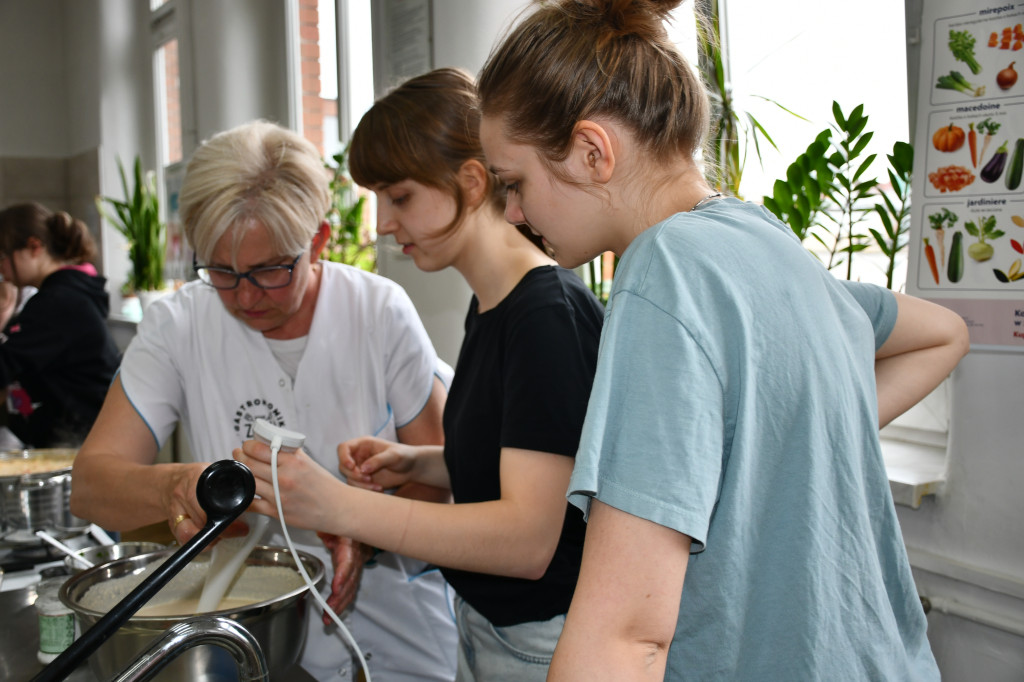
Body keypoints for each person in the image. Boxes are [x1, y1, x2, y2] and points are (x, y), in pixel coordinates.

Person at [474, 1, 971, 680]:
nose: (513, 213)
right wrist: (779, 443)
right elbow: (944, 333)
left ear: (592, 152)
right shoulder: (762, 240)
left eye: (514, 182)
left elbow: (626, 637)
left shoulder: (663, 272)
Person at [234, 68, 605, 681]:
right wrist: (422, 462)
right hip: (494, 628)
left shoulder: (544, 315)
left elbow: (528, 540)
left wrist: (343, 507)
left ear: (471, 180)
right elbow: (538, 461)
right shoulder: (495, 302)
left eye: (398, 196)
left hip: (546, 644)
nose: (381, 223)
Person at [70, 120, 459, 681]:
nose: (246, 295)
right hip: (255, 641)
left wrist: (364, 532)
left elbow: (443, 474)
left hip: (400, 632)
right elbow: (92, 485)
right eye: (222, 272)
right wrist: (175, 486)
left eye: (270, 270)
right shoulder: (179, 326)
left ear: (318, 241)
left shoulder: (378, 312)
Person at [0, 203, 119, 448]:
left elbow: (5, 364)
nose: (1, 269)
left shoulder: (58, 302)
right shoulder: (63, 295)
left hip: (79, 442)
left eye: (2, 256)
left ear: (34, 247)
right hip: (76, 436)